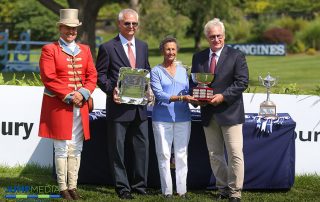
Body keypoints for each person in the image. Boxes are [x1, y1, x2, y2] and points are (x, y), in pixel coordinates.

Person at [38, 9, 97, 200]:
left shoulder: (85, 50)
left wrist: (83, 93)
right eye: (67, 28)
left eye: (74, 28)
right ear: (60, 28)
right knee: (62, 147)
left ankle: (73, 186)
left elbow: (92, 76)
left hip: (81, 107)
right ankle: (63, 187)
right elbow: (49, 78)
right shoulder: (50, 49)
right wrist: (71, 96)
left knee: (76, 148)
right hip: (59, 106)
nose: (71, 32)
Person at [190, 18, 249, 202]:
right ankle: (222, 188)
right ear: (207, 38)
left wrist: (223, 96)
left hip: (230, 112)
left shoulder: (236, 56)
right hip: (208, 113)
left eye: (219, 36)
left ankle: (235, 192)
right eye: (212, 36)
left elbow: (242, 82)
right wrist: (197, 99)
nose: (216, 39)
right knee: (215, 154)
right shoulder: (198, 57)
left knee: (235, 153)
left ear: (224, 36)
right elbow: (195, 83)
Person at [95, 8, 150, 200]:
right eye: (127, 23)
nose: (132, 27)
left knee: (142, 148)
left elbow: (146, 71)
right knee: (117, 150)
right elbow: (100, 75)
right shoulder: (108, 47)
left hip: (140, 109)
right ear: (120, 24)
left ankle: (140, 186)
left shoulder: (143, 46)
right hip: (118, 108)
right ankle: (123, 188)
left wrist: (148, 89)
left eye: (135, 23)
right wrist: (112, 90)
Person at [150, 37, 197, 199]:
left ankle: (182, 190)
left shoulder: (184, 70)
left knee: (181, 154)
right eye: (167, 49)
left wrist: (199, 97)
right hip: (161, 118)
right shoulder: (155, 71)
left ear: (177, 51)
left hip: (183, 117)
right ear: (162, 51)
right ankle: (167, 191)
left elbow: (190, 90)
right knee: (163, 154)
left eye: (173, 49)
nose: (171, 52)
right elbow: (160, 95)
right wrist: (183, 99)